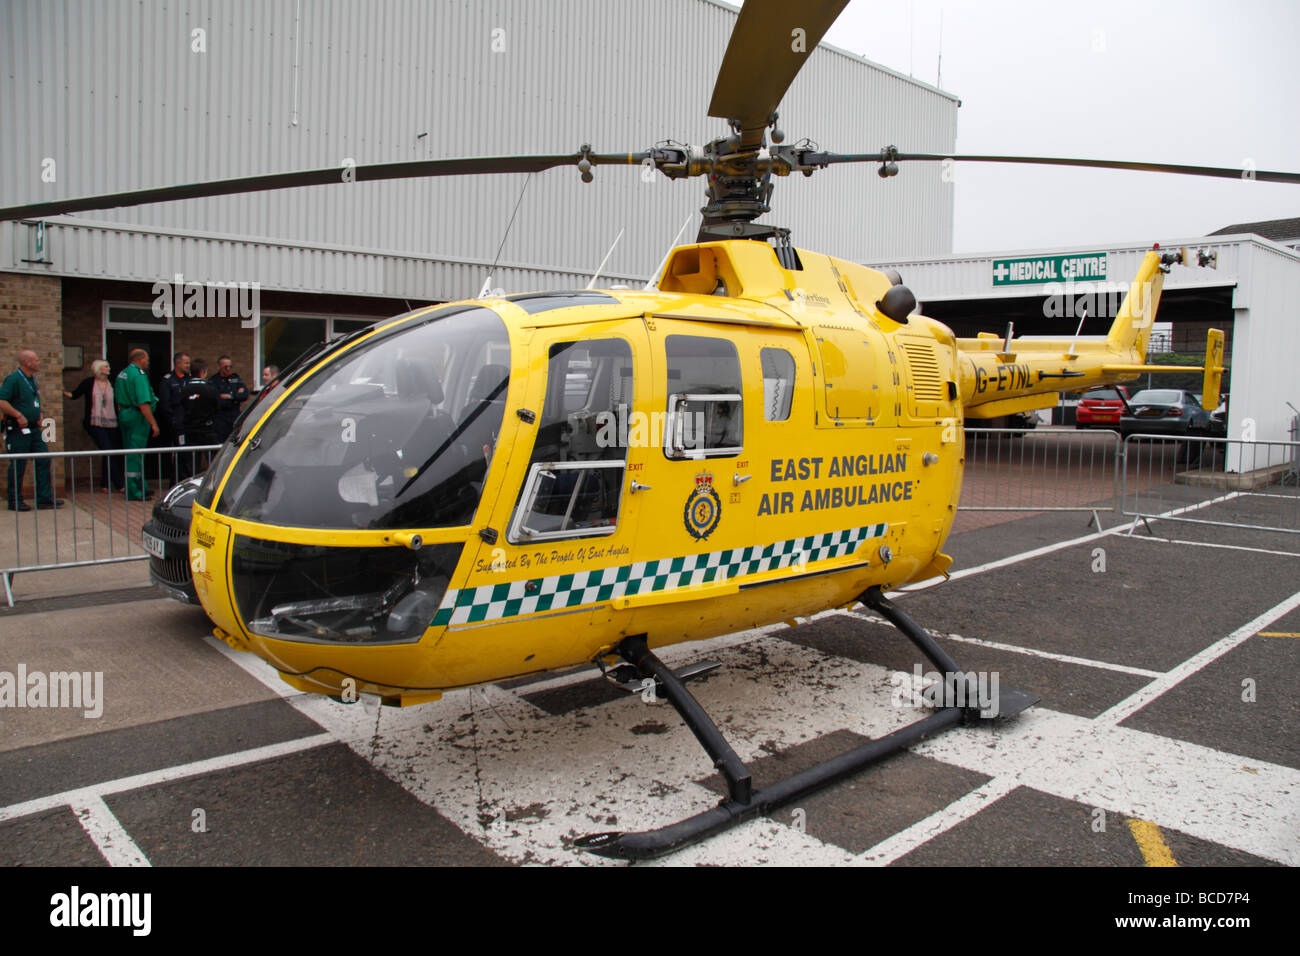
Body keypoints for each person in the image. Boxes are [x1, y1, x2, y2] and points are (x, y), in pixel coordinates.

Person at [1, 349, 65, 511]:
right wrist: (18, 415)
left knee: (43, 459)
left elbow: (34, 401)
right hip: (18, 430)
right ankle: (14, 500)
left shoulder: (32, 380)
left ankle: (44, 498)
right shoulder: (14, 380)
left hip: (34, 429)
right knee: (18, 464)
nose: (38, 363)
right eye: (36, 360)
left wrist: (39, 413)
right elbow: (2, 401)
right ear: (27, 362)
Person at [64, 359, 124, 492]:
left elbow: (118, 401)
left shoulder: (112, 383)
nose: (109, 369)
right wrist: (60, 390)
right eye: (106, 367)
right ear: (99, 369)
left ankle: (105, 484)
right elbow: (74, 394)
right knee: (107, 449)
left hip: (111, 421)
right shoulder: (89, 383)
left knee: (108, 452)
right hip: (95, 422)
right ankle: (120, 484)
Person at [113, 348, 159, 501]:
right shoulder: (138, 376)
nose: (148, 362)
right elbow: (143, 403)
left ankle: (141, 486)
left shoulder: (122, 374)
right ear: (141, 359)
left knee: (131, 452)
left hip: (125, 414)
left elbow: (118, 400)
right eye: (147, 359)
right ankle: (134, 491)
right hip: (137, 417)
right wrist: (153, 423)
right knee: (135, 455)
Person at [154, 351, 190, 479]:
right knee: (178, 453)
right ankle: (175, 480)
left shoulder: (188, 379)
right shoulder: (168, 380)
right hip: (176, 424)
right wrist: (173, 420)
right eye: (186, 363)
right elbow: (164, 403)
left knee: (187, 454)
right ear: (177, 363)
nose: (188, 365)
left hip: (188, 423)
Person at [180, 359, 221, 469]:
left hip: (189, 431)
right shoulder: (210, 390)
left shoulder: (184, 390)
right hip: (207, 430)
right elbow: (217, 407)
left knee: (192, 463)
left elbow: (180, 408)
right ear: (203, 372)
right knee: (215, 461)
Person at [209, 355, 249, 442]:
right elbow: (218, 400)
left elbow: (245, 395)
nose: (228, 369)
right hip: (221, 418)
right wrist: (236, 396)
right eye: (225, 367)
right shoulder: (214, 381)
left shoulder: (235, 378)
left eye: (230, 366)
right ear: (219, 366)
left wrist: (230, 396)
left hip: (235, 415)